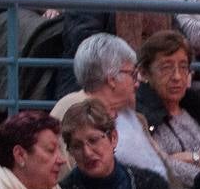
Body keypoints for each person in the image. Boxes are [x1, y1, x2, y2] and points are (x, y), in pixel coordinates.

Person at [52, 33, 173, 179]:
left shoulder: (133, 117)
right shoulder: (72, 109)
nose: (137, 83)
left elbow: (163, 166)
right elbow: (66, 177)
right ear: (112, 79)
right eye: (133, 74)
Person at [136, 31, 200, 189]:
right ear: (145, 73)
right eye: (166, 68)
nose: (177, 77)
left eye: (183, 67)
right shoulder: (142, 116)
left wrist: (189, 158)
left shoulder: (195, 105)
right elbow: (160, 167)